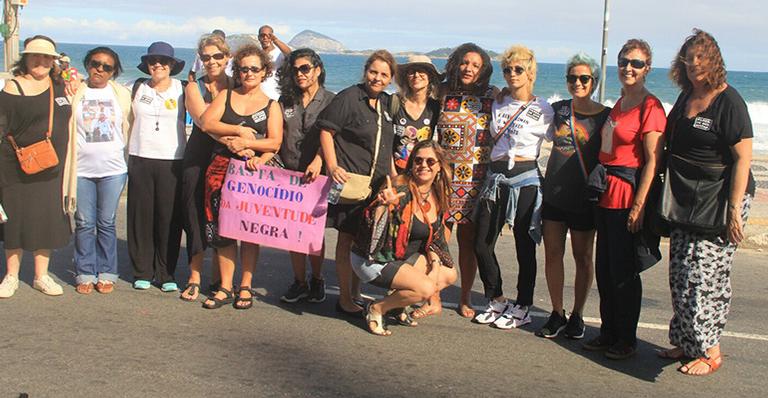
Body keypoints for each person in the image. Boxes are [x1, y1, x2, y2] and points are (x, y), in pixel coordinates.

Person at [657, 29, 755, 376]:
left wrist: (734, 212)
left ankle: (710, 350)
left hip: (722, 200)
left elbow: (743, 159)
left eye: (702, 57)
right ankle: (686, 341)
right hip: (687, 198)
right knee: (680, 273)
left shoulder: (729, 101)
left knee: (706, 276)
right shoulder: (686, 97)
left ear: (714, 60)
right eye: (689, 57)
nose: (695, 63)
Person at [582, 39, 666, 359]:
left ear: (647, 69)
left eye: (636, 63)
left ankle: (626, 339)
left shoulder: (651, 107)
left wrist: (639, 207)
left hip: (627, 196)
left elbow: (652, 161)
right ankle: (608, 331)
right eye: (624, 61)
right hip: (605, 195)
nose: (628, 67)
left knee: (624, 273)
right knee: (604, 269)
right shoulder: (620, 103)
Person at [472, 45, 554, 329]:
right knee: (481, 243)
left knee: (524, 245)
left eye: (518, 69)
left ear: (531, 72)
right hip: (495, 179)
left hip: (525, 179)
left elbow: (565, 141)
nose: (512, 74)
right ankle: (496, 299)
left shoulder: (543, 109)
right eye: (507, 69)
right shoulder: (498, 101)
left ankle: (523, 306)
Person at [199, 44, 283, 310]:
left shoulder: (272, 106)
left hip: (251, 173)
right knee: (223, 231)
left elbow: (275, 142)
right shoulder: (225, 96)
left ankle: (245, 285)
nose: (248, 73)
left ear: (265, 72)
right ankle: (225, 285)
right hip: (220, 171)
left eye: (254, 69)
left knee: (248, 232)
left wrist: (251, 148)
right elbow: (206, 122)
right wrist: (237, 132)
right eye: (244, 68)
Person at [536, 53, 611, 338]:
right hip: (555, 195)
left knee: (583, 257)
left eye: (584, 78)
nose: (577, 83)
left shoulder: (606, 117)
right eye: (572, 78)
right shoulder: (557, 110)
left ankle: (577, 314)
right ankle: (557, 312)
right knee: (553, 254)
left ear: (594, 81)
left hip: (584, 199)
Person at [317, 50, 397, 317]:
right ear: (365, 72)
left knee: (363, 243)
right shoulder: (349, 97)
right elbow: (327, 130)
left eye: (384, 74)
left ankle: (355, 291)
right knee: (347, 240)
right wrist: (331, 165)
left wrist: (392, 180)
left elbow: (386, 147)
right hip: (352, 182)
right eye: (373, 72)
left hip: (376, 187)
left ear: (390, 79)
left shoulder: (386, 104)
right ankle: (344, 297)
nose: (377, 78)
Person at [351, 140, 458, 335]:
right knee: (425, 288)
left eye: (430, 162)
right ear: (411, 164)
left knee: (447, 274)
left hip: (400, 258)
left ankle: (397, 305)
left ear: (439, 167)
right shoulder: (401, 190)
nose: (423, 165)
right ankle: (377, 308)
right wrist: (383, 206)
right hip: (374, 259)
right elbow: (372, 232)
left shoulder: (436, 194)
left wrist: (434, 267)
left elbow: (437, 240)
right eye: (418, 160)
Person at [0, 35, 74, 298]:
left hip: (52, 166)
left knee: (46, 218)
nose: (41, 62)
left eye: (47, 57)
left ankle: (41, 276)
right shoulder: (12, 87)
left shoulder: (60, 86)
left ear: (54, 61)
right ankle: (11, 276)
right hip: (15, 165)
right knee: (15, 218)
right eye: (36, 56)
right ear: (26, 58)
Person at [434, 43, 498, 319]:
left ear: (483, 69)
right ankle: (433, 293)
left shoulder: (492, 94)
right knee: (438, 238)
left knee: (468, 242)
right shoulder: (442, 91)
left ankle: (464, 297)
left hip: (476, 178)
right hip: (445, 177)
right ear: (455, 64)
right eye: (464, 62)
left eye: (475, 64)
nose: (469, 68)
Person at [69, 47, 131, 295]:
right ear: (87, 64)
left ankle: (106, 271)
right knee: (84, 223)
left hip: (114, 169)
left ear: (114, 71)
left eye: (107, 67)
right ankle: (84, 271)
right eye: (96, 64)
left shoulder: (121, 94)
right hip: (81, 169)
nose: (100, 70)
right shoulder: (75, 91)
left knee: (106, 222)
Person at [127, 41, 187, 292]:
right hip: (140, 157)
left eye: (164, 61)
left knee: (169, 217)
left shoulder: (183, 89)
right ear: (147, 65)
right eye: (153, 61)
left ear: (172, 65)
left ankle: (166, 273)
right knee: (141, 216)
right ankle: (142, 270)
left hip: (172, 160)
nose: (158, 65)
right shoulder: (136, 87)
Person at [276, 48, 335, 304]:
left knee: (313, 233)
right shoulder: (285, 100)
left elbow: (334, 136)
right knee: (292, 232)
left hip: (317, 179)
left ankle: (317, 278)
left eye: (305, 68)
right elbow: (276, 136)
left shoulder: (332, 100)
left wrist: (320, 159)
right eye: (295, 69)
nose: (299, 74)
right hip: (288, 176)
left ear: (317, 70)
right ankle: (299, 281)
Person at [179, 34, 234, 301]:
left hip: (227, 161)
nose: (211, 61)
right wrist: (240, 137)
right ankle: (195, 276)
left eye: (217, 56)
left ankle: (222, 279)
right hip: (198, 159)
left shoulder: (238, 87)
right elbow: (204, 123)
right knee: (195, 216)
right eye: (206, 57)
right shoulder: (194, 87)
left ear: (227, 57)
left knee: (223, 219)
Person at [391, 55, 441, 175]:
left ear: (430, 76)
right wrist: (393, 175)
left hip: (423, 173)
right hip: (397, 171)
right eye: (412, 72)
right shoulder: (395, 102)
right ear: (406, 77)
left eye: (422, 71)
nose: (416, 75)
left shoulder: (435, 107)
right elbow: (386, 141)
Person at [257, 25, 292, 100]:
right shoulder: (257, 55)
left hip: (275, 96)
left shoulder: (279, 53)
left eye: (268, 35)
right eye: (262, 35)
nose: (265, 38)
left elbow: (290, 54)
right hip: (259, 97)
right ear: (259, 38)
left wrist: (275, 40)